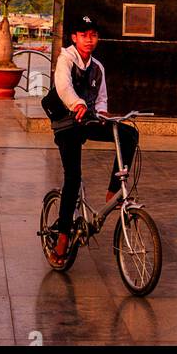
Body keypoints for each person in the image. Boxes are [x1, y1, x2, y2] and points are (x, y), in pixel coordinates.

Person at [43, 13, 138, 265]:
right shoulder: (66, 60)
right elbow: (63, 87)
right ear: (74, 37)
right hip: (67, 124)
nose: (89, 39)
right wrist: (77, 104)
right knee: (73, 179)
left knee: (129, 133)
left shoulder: (98, 67)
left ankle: (113, 191)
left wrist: (105, 115)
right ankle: (62, 239)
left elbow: (102, 97)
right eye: (84, 35)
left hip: (88, 120)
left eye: (93, 35)